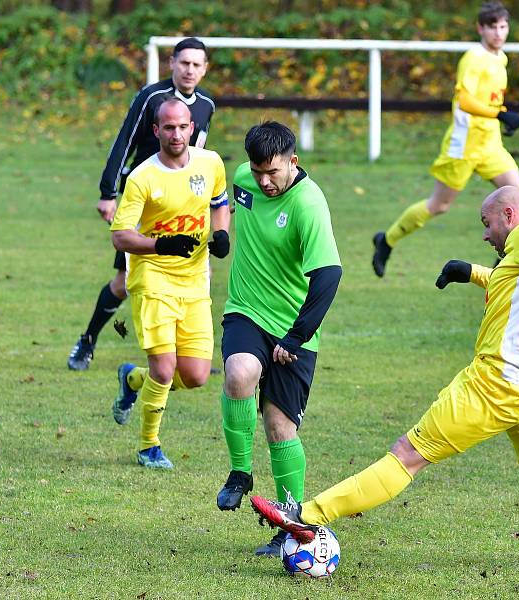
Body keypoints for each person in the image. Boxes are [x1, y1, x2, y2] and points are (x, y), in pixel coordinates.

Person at [250, 186, 519, 574]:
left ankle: (306, 514)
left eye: (486, 222)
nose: (485, 233)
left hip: (497, 386)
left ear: (509, 216)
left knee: (408, 454)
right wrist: (471, 272)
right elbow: (515, 281)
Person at [216, 121, 342, 557]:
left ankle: (291, 525)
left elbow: (329, 276)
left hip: (294, 327)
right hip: (245, 311)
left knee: (279, 427)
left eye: (274, 172)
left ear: (294, 161)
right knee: (239, 371)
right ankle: (239, 473)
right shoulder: (242, 179)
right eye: (259, 171)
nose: (265, 181)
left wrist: (296, 335)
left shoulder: (309, 204)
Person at [68, 37, 214, 370]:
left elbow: (199, 157)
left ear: (205, 69)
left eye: (197, 64)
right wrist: (109, 192)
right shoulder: (151, 97)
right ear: (172, 63)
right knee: (122, 283)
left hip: (183, 206)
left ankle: (191, 353)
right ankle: (87, 341)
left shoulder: (206, 105)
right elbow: (124, 142)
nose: (190, 70)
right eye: (184, 62)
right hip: (144, 203)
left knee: (196, 275)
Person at [108, 96, 230, 469]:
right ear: (156, 130)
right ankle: (149, 446)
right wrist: (160, 244)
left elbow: (220, 202)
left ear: (192, 128)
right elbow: (120, 236)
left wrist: (222, 233)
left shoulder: (210, 163)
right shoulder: (142, 176)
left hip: (195, 281)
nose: (176, 134)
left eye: (183, 127)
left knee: (194, 376)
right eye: (169, 128)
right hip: (153, 280)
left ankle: (133, 381)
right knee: (164, 369)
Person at [371, 1, 519, 278]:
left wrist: (501, 120)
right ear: (480, 28)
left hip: (491, 145)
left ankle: (507, 264)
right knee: (439, 205)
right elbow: (465, 100)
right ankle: (387, 240)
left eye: (503, 26)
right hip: (464, 145)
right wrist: (501, 115)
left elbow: (488, 100)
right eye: (492, 27)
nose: (499, 33)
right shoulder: (473, 58)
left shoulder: (500, 58)